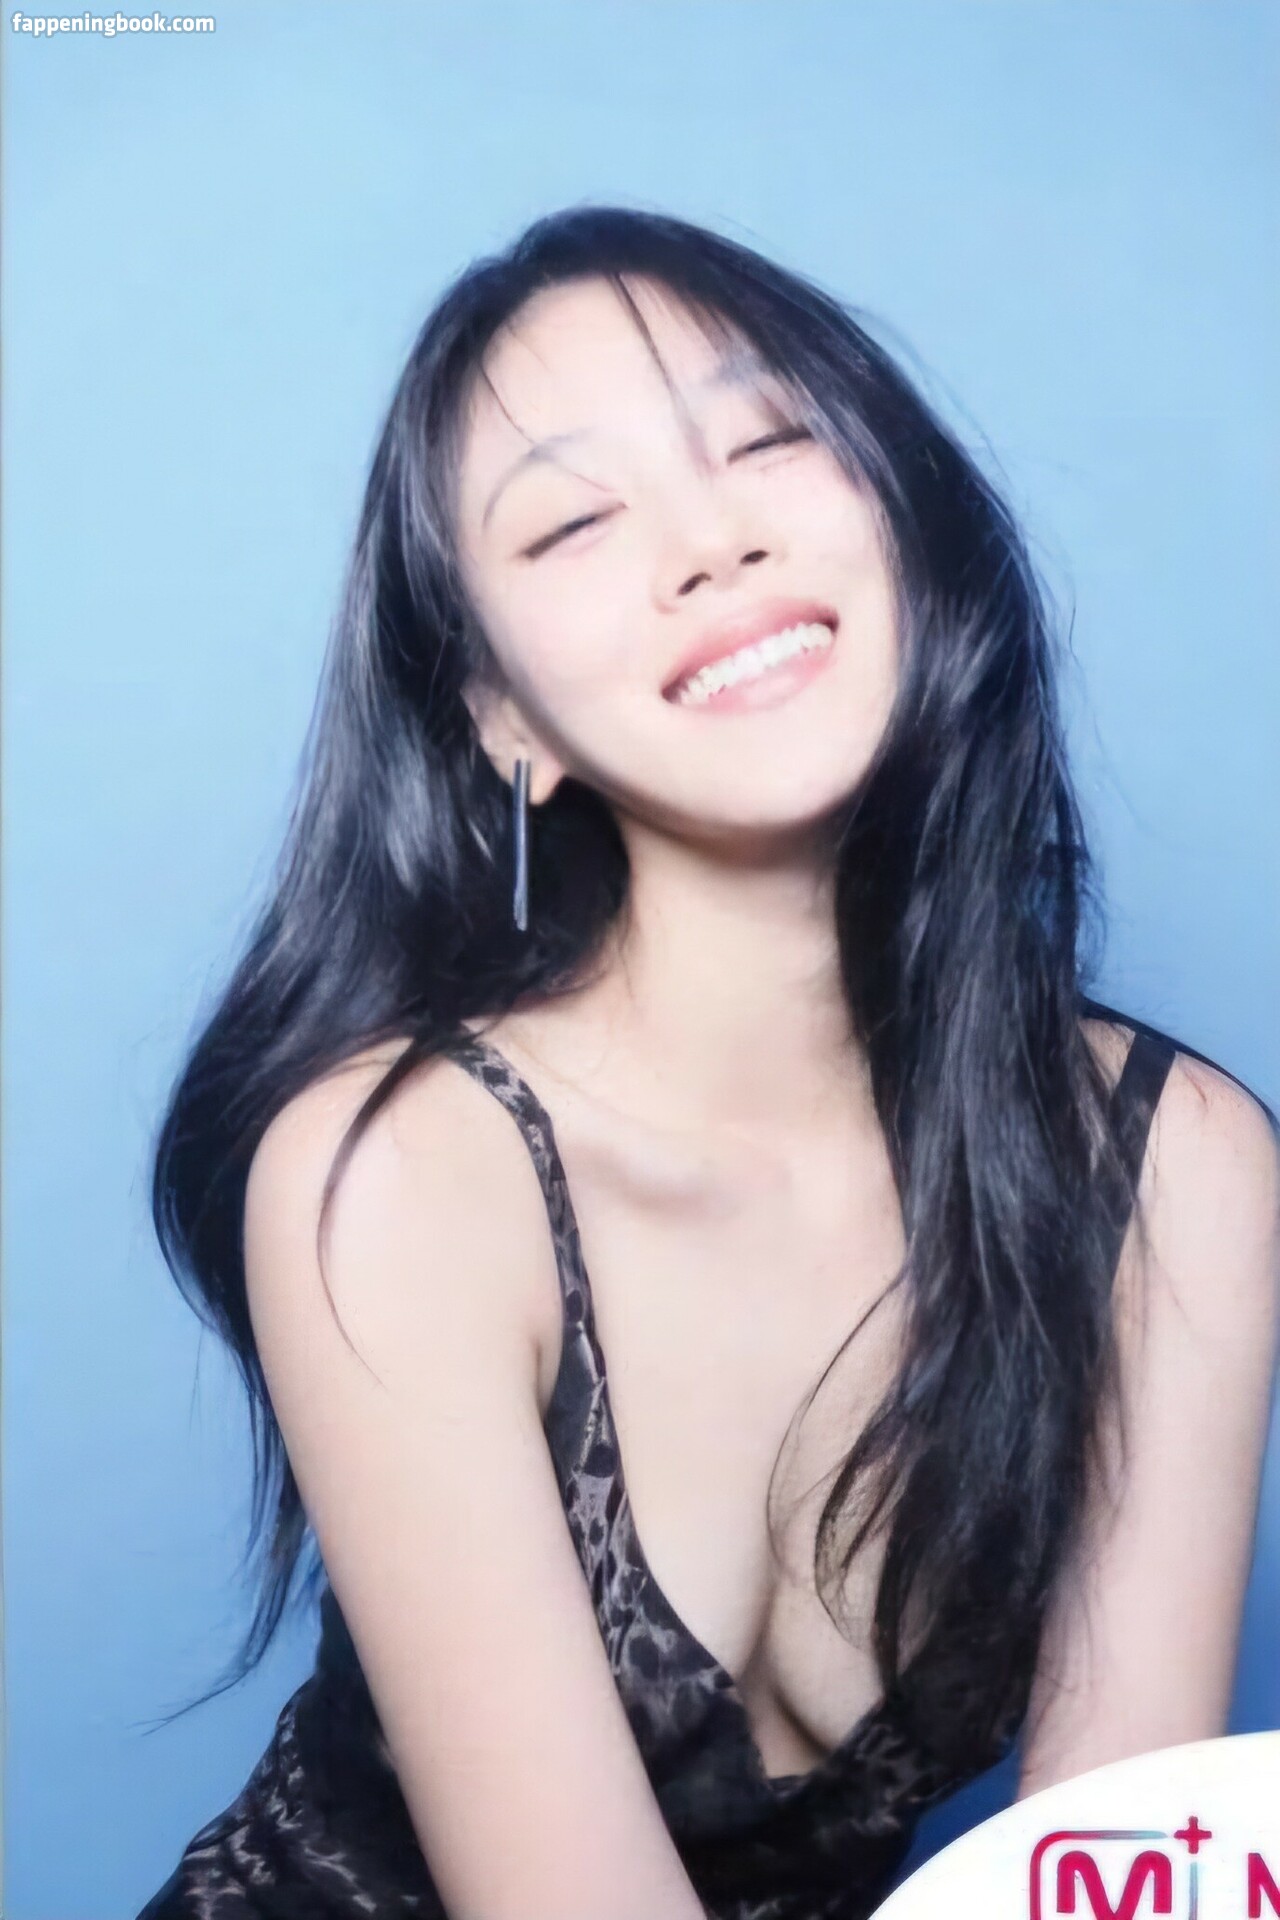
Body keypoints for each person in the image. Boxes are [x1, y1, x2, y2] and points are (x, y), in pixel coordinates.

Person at [136, 205, 1280, 1920]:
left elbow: (1114, 1876)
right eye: (573, 522)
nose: (709, 544)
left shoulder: (1173, 1166)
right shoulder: (407, 1174)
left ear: (905, 516)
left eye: (768, 441)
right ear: (502, 720)